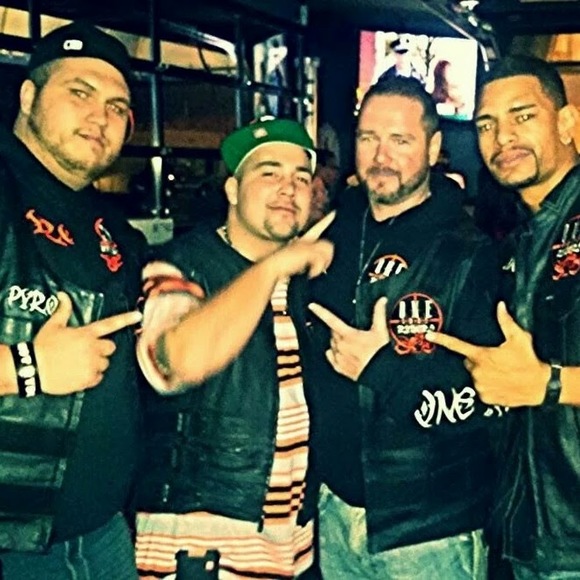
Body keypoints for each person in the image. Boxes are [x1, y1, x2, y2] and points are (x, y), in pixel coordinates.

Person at [307, 77, 504, 579]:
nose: (381, 156)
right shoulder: (333, 229)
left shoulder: (469, 253)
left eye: (400, 140)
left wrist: (380, 368)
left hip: (428, 529)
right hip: (333, 511)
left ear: (434, 149)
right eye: (369, 138)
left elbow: (494, 398)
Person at [133, 117, 333, 579]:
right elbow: (175, 363)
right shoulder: (179, 265)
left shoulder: (305, 280)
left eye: (301, 177)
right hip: (205, 546)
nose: (288, 188)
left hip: (291, 543)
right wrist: (271, 268)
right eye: (269, 172)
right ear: (232, 190)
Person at [0, 21, 146, 579]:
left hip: (102, 533)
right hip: (14, 542)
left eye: (116, 106)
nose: (100, 117)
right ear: (28, 97)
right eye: (79, 93)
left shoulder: (111, 228)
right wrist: (28, 367)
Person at [426, 55, 580, 579]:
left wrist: (550, 384)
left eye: (523, 116)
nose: (503, 137)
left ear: (567, 122)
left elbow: (535, 383)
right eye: (486, 124)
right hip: (529, 534)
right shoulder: (520, 242)